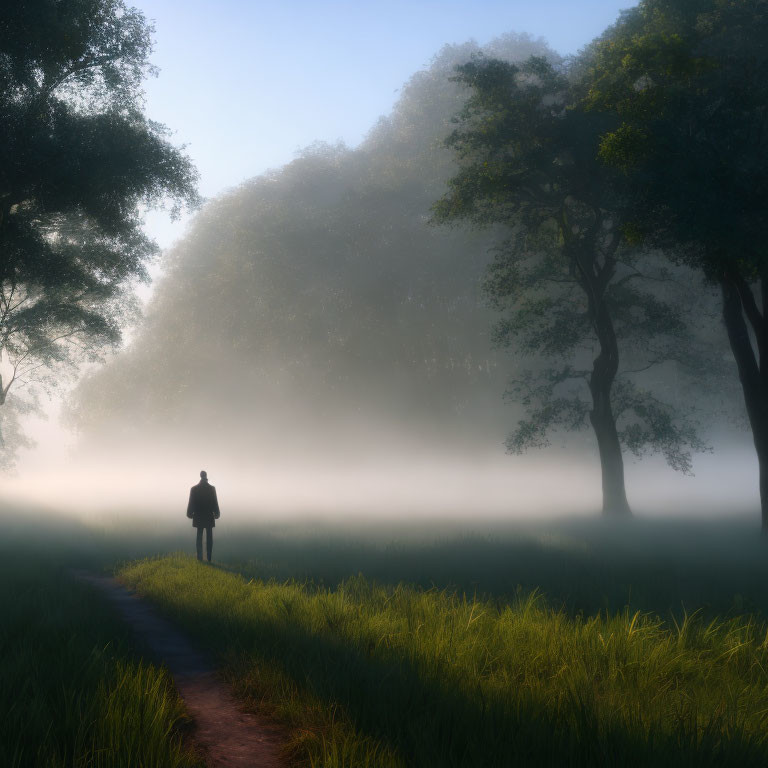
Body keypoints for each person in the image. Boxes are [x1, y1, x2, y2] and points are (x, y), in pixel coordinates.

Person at [187, 470, 220, 562]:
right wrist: (217, 513)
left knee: (199, 537)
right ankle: (209, 558)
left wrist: (189, 513)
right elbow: (215, 502)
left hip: (198, 515)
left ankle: (199, 557)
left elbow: (191, 503)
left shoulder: (194, 489)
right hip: (209, 516)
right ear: (206, 476)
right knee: (209, 538)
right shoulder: (211, 489)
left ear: (200, 476)